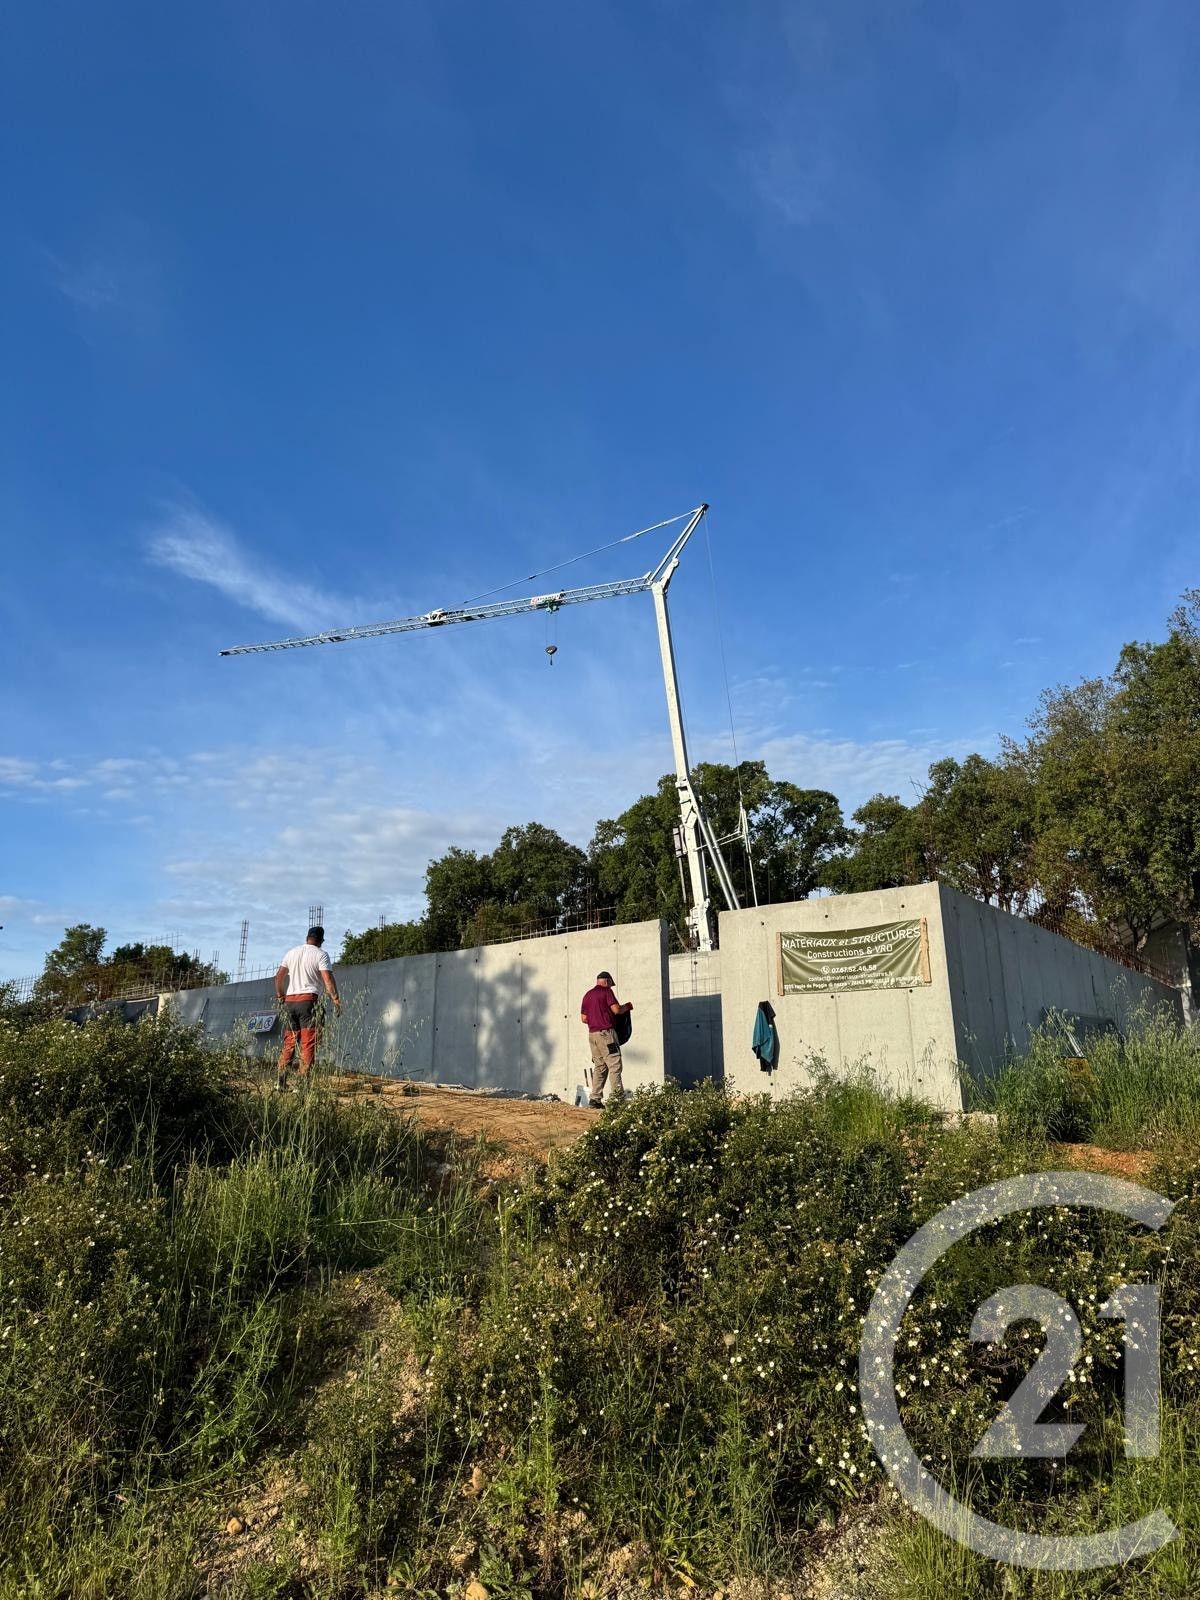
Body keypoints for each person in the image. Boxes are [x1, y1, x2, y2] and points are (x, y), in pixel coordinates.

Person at [274, 926, 341, 1090]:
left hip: (290, 1002)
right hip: (309, 1002)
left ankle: (280, 1083)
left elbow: (278, 977)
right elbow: (327, 979)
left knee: (289, 1042)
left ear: (307, 938)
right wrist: (336, 999)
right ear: (321, 941)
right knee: (308, 1043)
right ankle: (302, 1085)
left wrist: (281, 995)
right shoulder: (321, 954)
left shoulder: (291, 953)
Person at [579, 970, 632, 1109]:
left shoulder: (587, 995)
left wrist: (596, 1018)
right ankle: (617, 1100)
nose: (610, 986)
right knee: (615, 1065)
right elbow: (617, 1010)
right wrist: (627, 1007)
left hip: (593, 1035)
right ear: (607, 981)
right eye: (610, 984)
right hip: (606, 1034)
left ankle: (595, 1099)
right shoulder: (606, 992)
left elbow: (584, 1018)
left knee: (600, 1066)